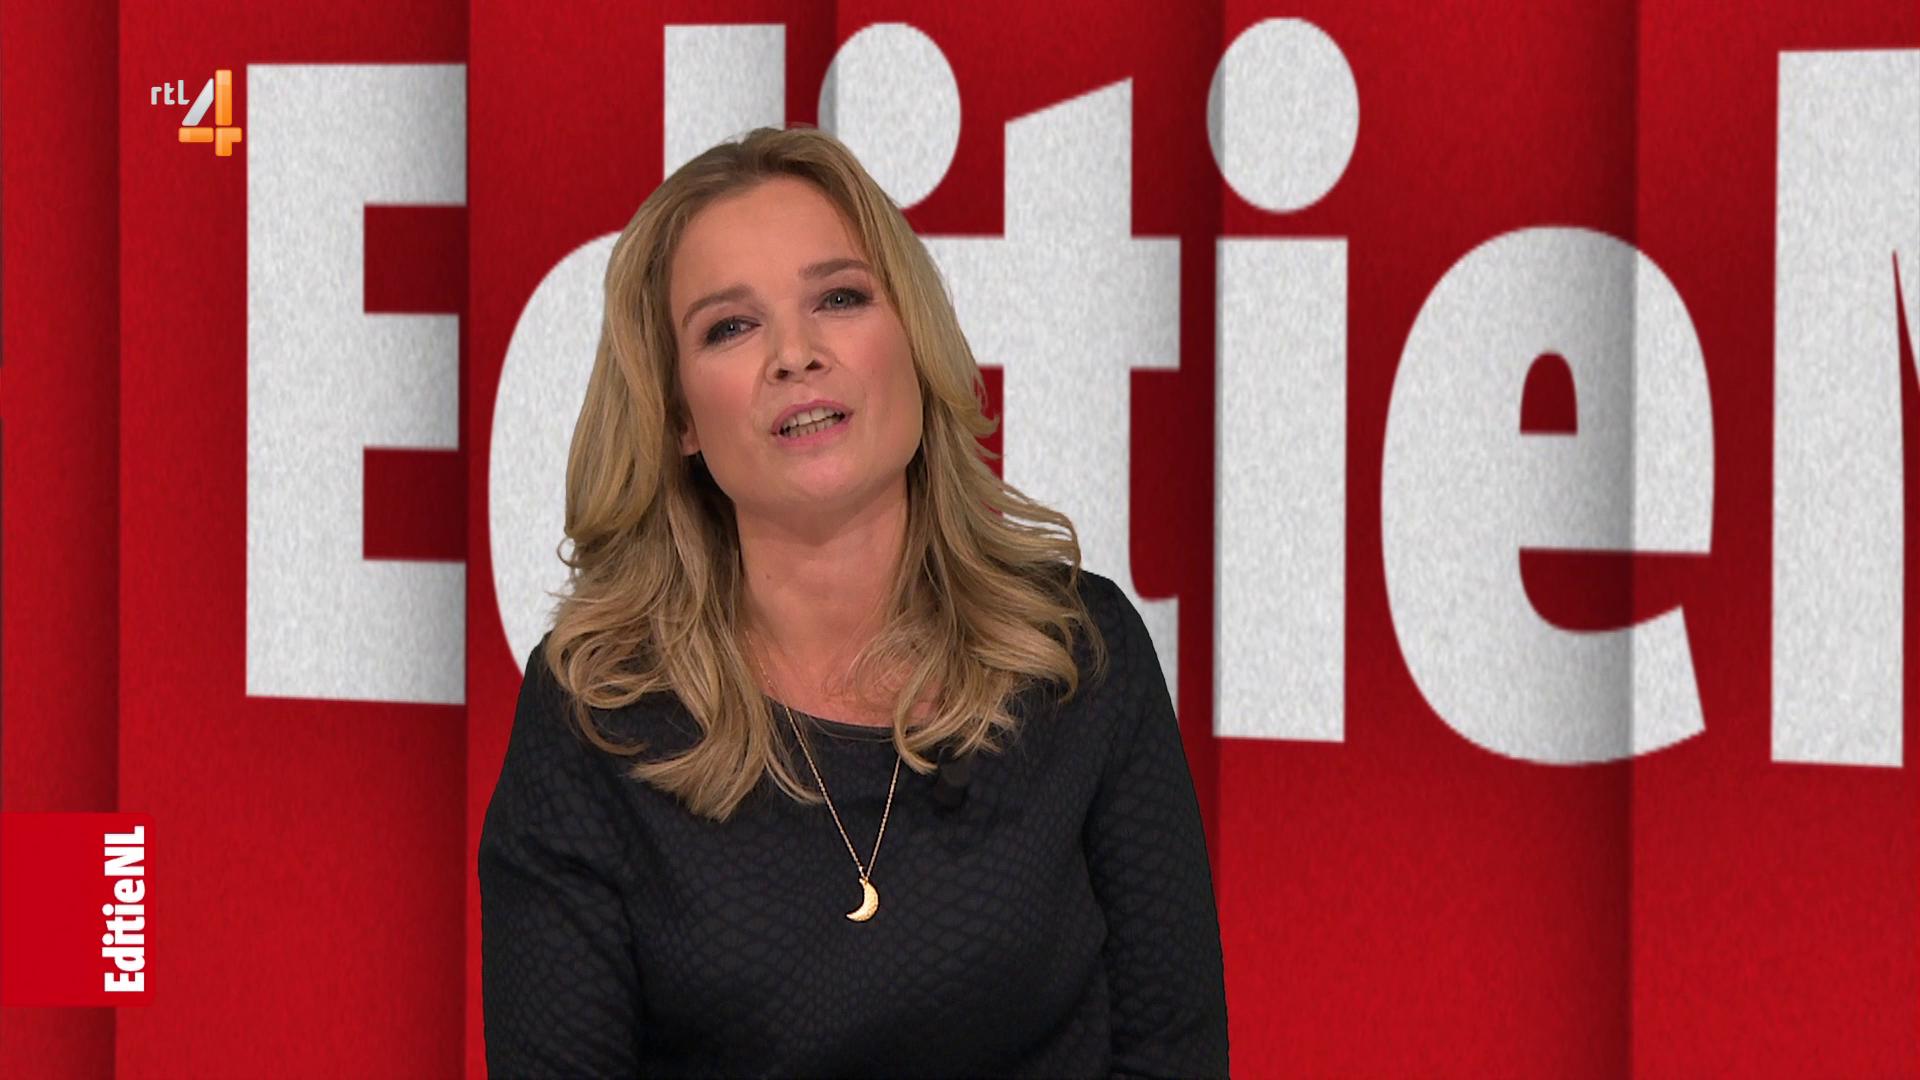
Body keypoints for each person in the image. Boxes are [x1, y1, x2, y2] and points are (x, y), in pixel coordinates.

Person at [478, 124, 1227, 1078]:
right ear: (677, 418)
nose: (795, 354)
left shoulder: (1077, 651)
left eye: (839, 298)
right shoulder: (597, 713)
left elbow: (1173, 1054)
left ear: (911, 340)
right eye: (730, 327)